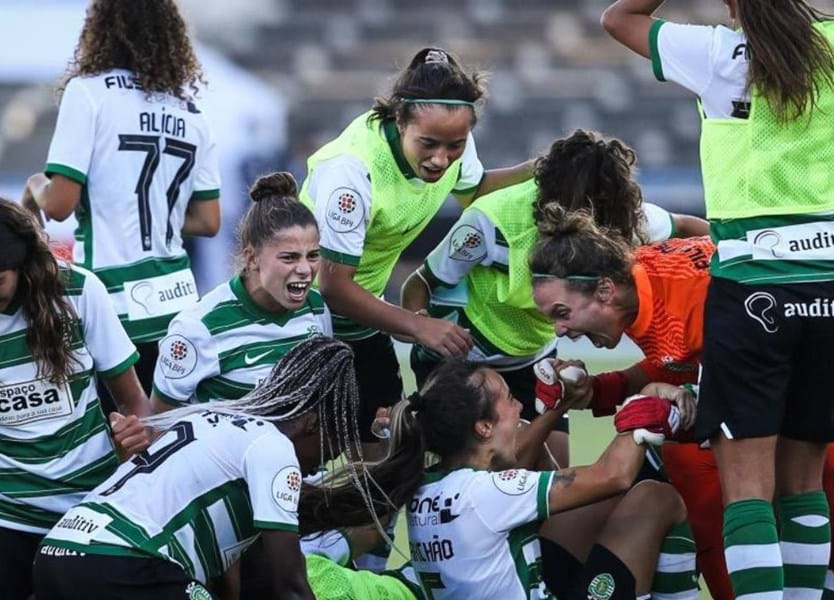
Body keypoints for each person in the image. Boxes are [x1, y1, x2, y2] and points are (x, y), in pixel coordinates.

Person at [601, 1, 834, 598]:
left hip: (753, 286)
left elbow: (619, 18)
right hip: (830, 284)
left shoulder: (718, 52)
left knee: (747, 489)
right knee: (805, 481)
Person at [528, 208, 834, 600]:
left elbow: (755, 379)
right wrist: (598, 390)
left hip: (793, 343)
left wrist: (682, 402)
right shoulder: (641, 283)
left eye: (562, 313)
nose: (559, 331)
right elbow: (675, 363)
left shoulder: (691, 302)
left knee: (743, 488)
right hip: (805, 315)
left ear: (604, 291)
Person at [401, 128, 707, 468]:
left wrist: (733, 262)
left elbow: (685, 226)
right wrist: (422, 325)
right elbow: (420, 284)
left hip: (533, 356)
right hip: (460, 358)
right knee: (480, 473)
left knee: (554, 482)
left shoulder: (620, 222)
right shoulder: (490, 223)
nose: (585, 236)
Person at [300, 358, 697, 600]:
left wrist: (558, 408)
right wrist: (644, 405)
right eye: (510, 398)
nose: (519, 404)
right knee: (653, 498)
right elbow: (614, 476)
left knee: (594, 507)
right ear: (484, 428)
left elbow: (524, 464)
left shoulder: (429, 482)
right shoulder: (487, 494)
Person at [299, 47, 535, 453]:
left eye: (454, 146)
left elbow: (473, 190)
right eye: (428, 144)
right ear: (398, 118)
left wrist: (540, 167)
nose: (441, 159)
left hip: (360, 319)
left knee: (385, 457)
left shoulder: (450, 137)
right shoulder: (351, 173)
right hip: (300, 321)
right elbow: (333, 286)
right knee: (302, 453)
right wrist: (418, 325)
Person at [34, 337, 370, 600]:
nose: (324, 462)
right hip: (124, 561)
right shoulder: (273, 447)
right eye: (334, 443)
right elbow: (291, 586)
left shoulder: (209, 417)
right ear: (311, 424)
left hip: (57, 553)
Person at [23, 0, 222, 397]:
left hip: (112, 305)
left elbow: (59, 204)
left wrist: (34, 188)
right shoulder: (192, 111)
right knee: (170, 439)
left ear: (102, 28)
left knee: (120, 441)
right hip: (180, 302)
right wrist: (147, 208)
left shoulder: (88, 93)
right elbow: (208, 220)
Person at [0, 198, 149, 600]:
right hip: (9, 513)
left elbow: (134, 401)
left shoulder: (79, 291)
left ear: (22, 264)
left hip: (92, 505)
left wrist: (136, 438)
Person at [151, 172, 330, 411]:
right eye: (290, 258)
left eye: (313, 256)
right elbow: (159, 426)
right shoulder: (198, 328)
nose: (305, 270)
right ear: (252, 257)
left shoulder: (317, 308)